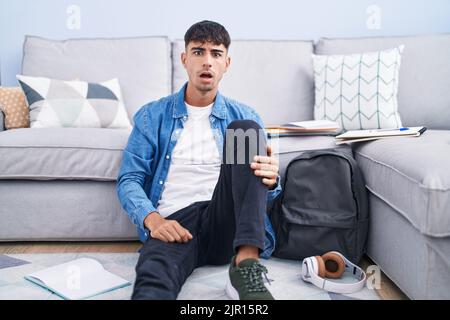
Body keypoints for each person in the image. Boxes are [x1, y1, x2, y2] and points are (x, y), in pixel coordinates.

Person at [117, 20, 281, 300]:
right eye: (198, 52)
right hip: (175, 222)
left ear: (226, 63)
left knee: (244, 129)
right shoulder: (151, 116)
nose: (207, 62)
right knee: (152, 278)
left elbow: (267, 195)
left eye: (215, 54)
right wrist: (154, 221)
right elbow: (129, 179)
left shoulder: (246, 115)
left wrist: (271, 179)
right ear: (184, 58)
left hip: (225, 219)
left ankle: (246, 264)